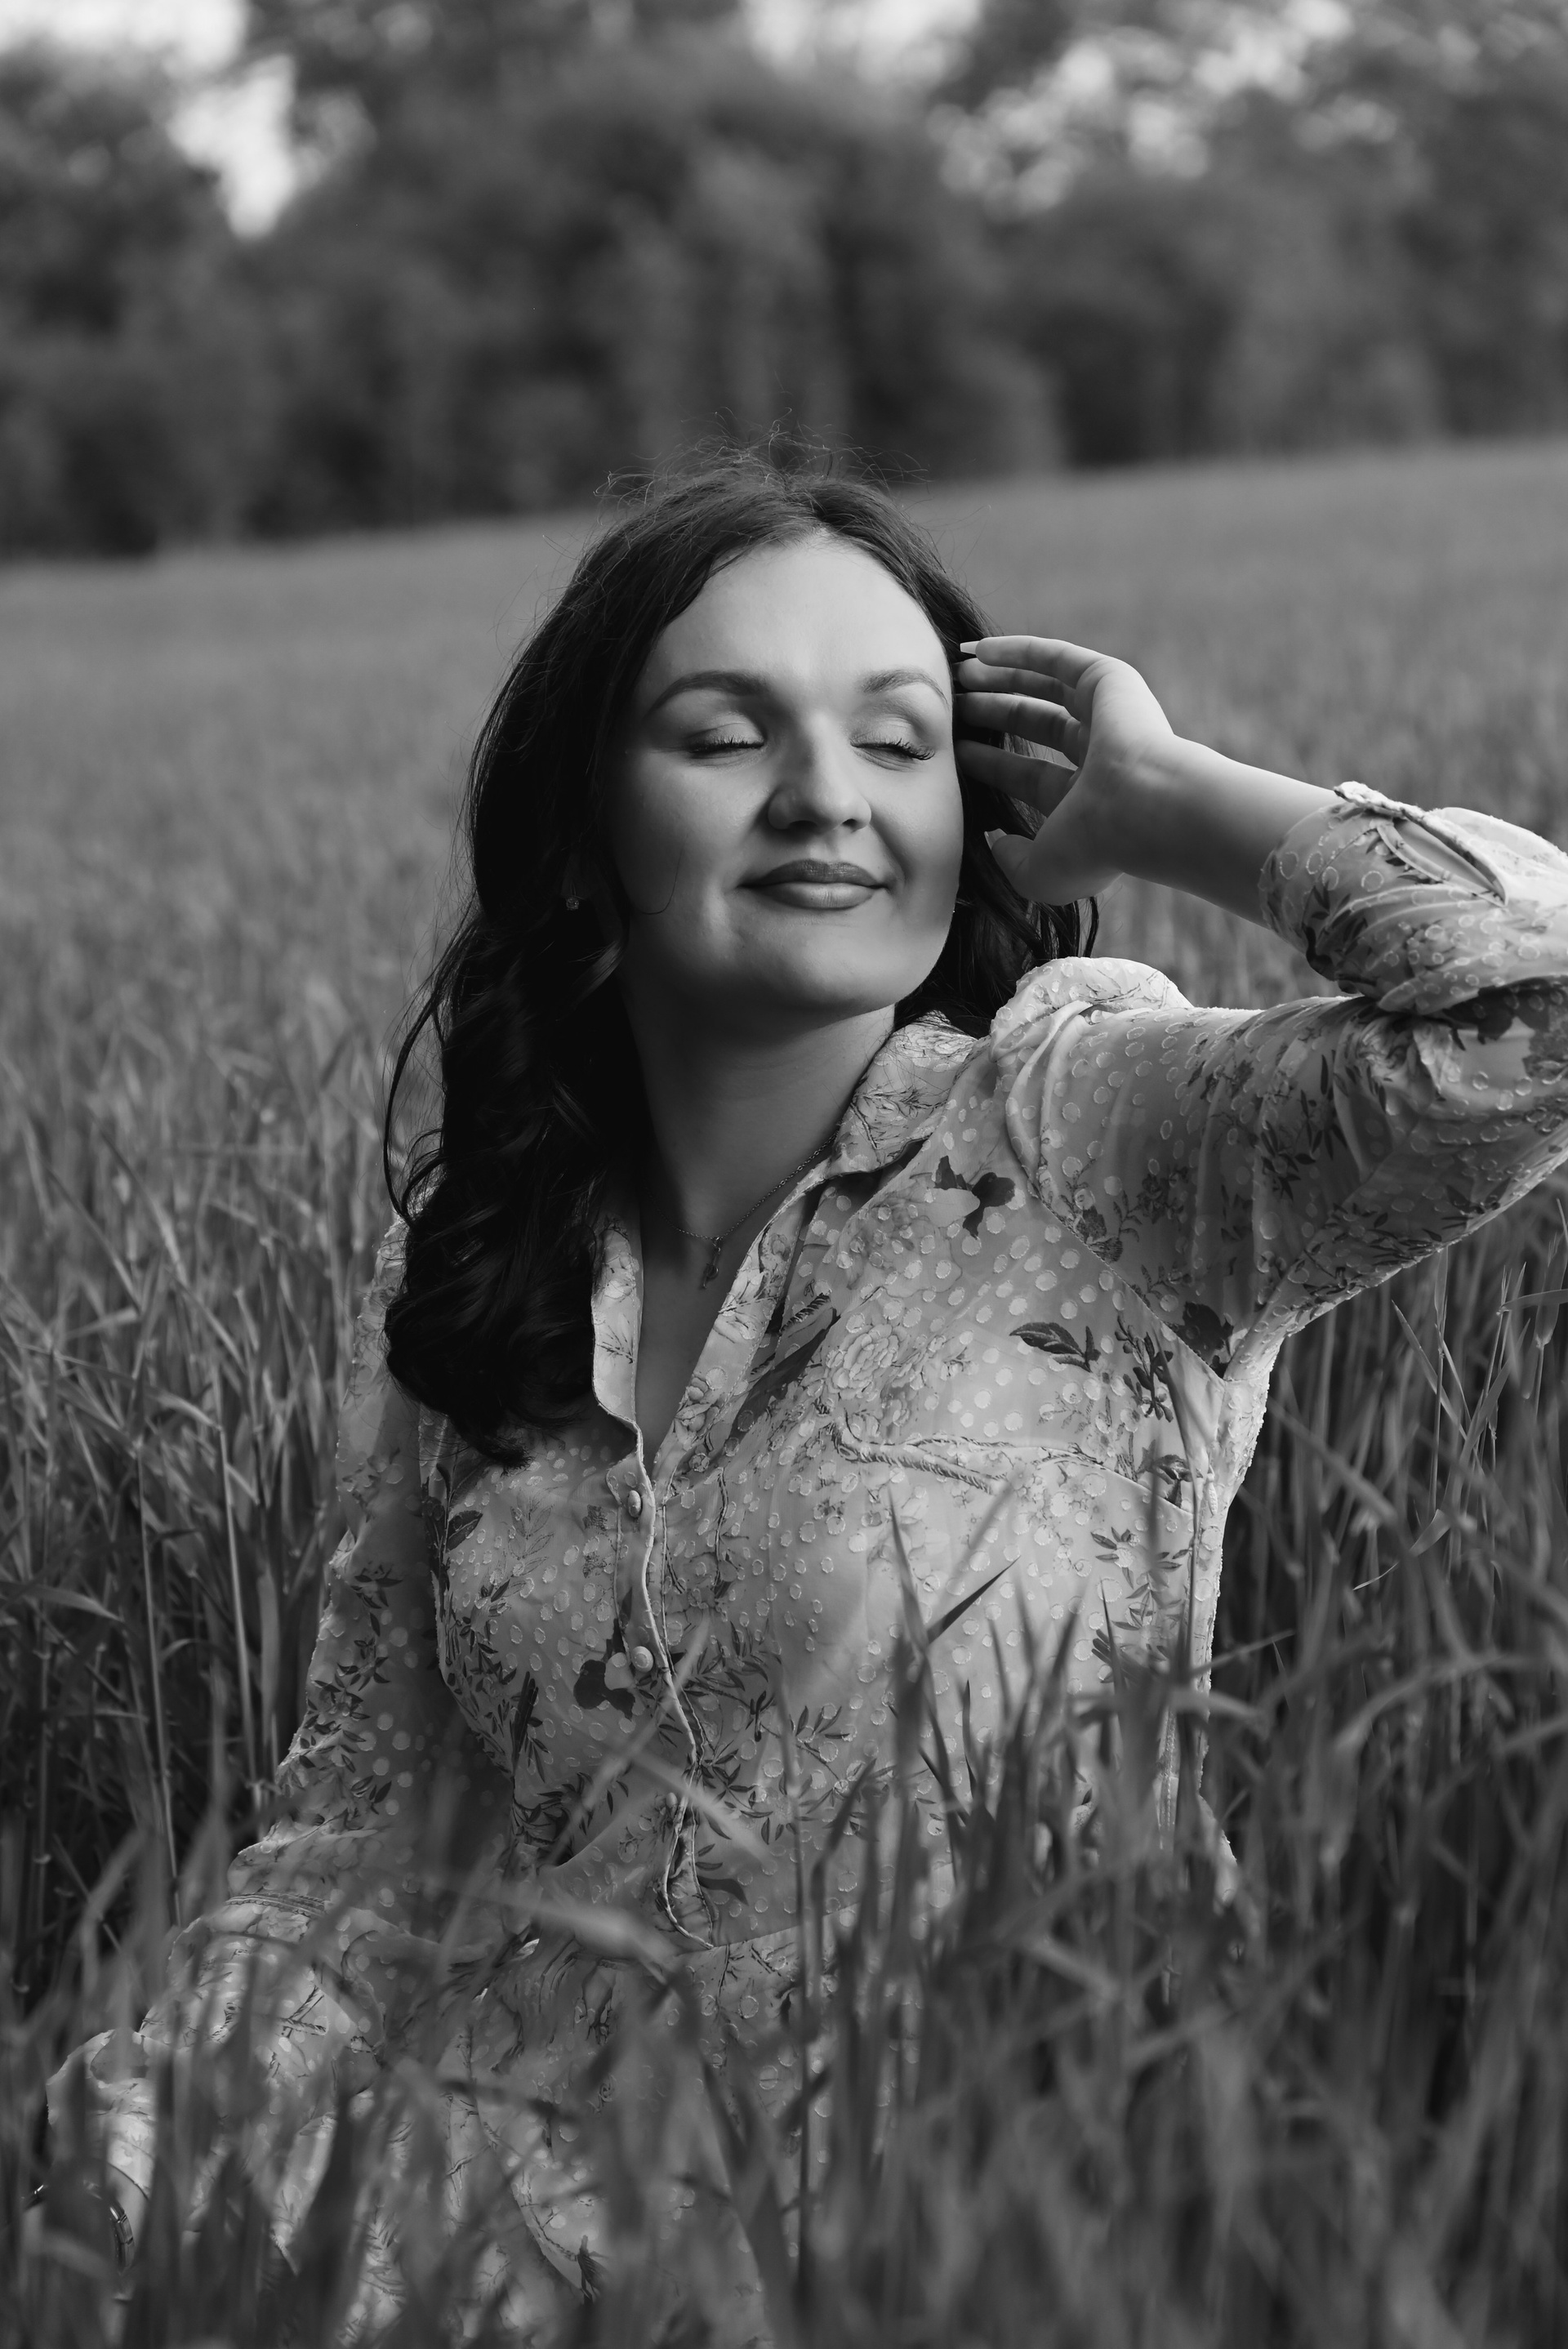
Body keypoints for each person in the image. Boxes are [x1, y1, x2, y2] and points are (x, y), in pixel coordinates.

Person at [51, 452, 1568, 2335]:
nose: (828, 792)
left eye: (899, 737)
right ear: (587, 826)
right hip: (515, 2220)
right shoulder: (495, 1277)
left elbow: (1532, 1018)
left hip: (1005, 2212)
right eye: (725, 734)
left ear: (971, 808)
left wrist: (1173, 798)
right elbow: (366, 1822)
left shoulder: (1090, 1130)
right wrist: (149, 2131)